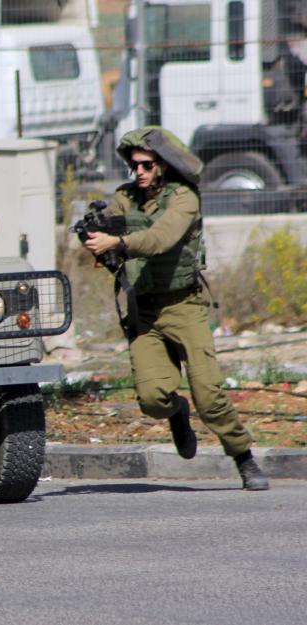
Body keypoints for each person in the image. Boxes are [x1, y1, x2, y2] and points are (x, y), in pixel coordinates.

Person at [82, 126, 269, 491]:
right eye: (135, 165)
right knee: (152, 400)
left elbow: (160, 238)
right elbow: (110, 222)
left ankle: (243, 458)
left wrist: (118, 240)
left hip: (184, 306)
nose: (139, 172)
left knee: (210, 396)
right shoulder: (125, 198)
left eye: (147, 165)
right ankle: (176, 413)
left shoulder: (184, 198)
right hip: (144, 312)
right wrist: (95, 234)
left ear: (163, 166)